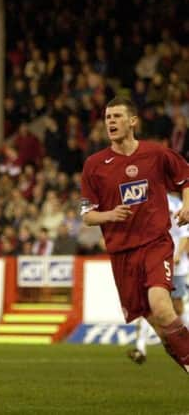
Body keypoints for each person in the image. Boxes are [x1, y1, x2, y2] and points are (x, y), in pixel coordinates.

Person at [81, 96, 189, 374]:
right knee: (161, 330)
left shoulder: (155, 153)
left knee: (163, 307)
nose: (111, 122)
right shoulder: (95, 164)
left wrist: (187, 205)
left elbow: (185, 177)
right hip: (122, 255)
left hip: (155, 244)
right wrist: (110, 215)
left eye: (117, 116)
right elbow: (87, 215)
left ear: (133, 121)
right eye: (107, 118)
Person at [127, 192, 189, 364]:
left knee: (176, 308)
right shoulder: (145, 202)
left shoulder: (176, 204)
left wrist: (178, 254)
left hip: (177, 265)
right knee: (149, 306)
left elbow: (185, 233)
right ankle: (140, 347)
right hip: (155, 262)